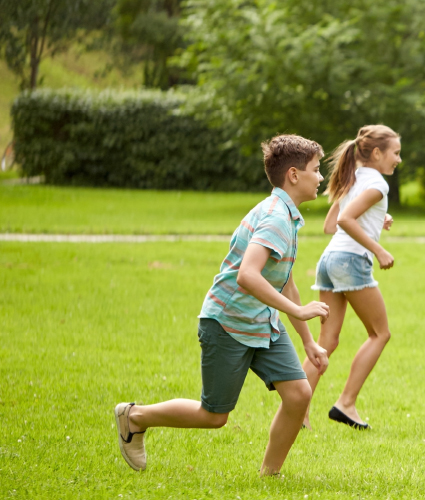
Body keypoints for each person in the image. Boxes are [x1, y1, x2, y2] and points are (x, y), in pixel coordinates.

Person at [113, 134, 331, 475]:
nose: (320, 177)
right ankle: (135, 416)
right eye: (316, 170)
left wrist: (307, 340)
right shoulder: (274, 217)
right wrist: (298, 312)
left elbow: (284, 280)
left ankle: (269, 477)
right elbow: (248, 275)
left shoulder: (287, 216)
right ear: (293, 174)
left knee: (299, 395)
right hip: (228, 322)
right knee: (213, 416)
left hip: (261, 321)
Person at [303, 125, 401, 430]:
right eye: (395, 153)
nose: (399, 159)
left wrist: (374, 218)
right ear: (377, 153)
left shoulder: (353, 178)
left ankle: (298, 410)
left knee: (326, 342)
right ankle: (345, 403)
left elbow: (330, 225)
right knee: (379, 333)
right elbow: (344, 220)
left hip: (329, 260)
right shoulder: (378, 185)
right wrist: (378, 249)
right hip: (351, 261)